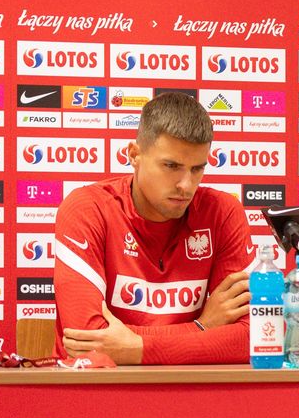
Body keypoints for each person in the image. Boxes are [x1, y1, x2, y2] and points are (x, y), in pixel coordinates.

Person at [53, 92, 255, 364]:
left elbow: (257, 336)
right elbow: (88, 340)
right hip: (94, 393)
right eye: (171, 166)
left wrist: (136, 348)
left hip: (187, 392)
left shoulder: (222, 212)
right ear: (134, 154)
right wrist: (202, 328)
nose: (186, 185)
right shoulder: (88, 208)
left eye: (197, 169)